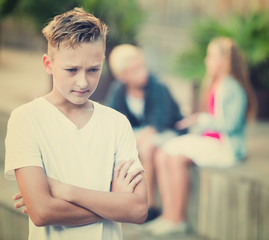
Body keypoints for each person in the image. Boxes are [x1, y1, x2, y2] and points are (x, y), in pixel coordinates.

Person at [4, 8, 148, 240]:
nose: (83, 82)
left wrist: (63, 191)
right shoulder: (26, 119)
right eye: (71, 70)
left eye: (93, 70)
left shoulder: (117, 123)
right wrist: (113, 202)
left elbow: (138, 210)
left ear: (103, 62)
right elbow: (42, 212)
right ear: (48, 64)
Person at [143, 37, 257, 236]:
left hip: (226, 147)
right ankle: (168, 216)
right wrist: (198, 121)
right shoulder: (216, 84)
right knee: (162, 154)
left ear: (225, 61)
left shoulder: (233, 87)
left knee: (177, 159)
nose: (207, 61)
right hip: (211, 141)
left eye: (211, 56)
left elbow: (231, 125)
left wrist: (202, 119)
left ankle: (178, 219)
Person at [105, 44, 187, 222]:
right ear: (122, 76)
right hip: (141, 133)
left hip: (167, 130)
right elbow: (112, 119)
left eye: (141, 66)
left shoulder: (158, 86)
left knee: (147, 148)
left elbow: (160, 123)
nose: (141, 72)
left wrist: (135, 140)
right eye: (134, 70)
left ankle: (148, 204)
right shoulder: (118, 91)